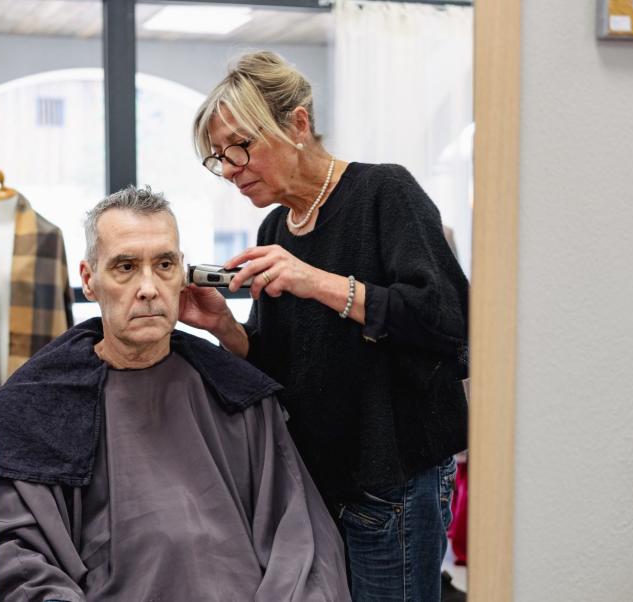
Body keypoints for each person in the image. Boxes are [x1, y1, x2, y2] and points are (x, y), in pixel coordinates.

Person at [180, 51, 469, 601]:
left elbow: (447, 320)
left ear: (298, 124)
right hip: (320, 484)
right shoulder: (277, 229)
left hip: (393, 483)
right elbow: (281, 365)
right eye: (218, 157)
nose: (230, 167)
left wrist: (316, 281)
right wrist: (223, 327)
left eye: (241, 144)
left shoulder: (385, 193)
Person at [0, 185, 351, 602]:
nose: (148, 287)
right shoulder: (37, 407)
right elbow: (17, 558)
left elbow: (303, 545)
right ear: (89, 280)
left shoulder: (238, 396)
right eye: (125, 267)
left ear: (183, 274)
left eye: (163, 265)